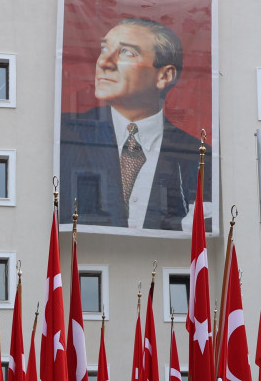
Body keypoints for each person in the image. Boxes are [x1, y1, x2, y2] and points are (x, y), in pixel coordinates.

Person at [59, 17, 212, 232]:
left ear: (165, 75)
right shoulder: (65, 135)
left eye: (127, 53)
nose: (104, 62)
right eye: (104, 48)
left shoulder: (200, 157)